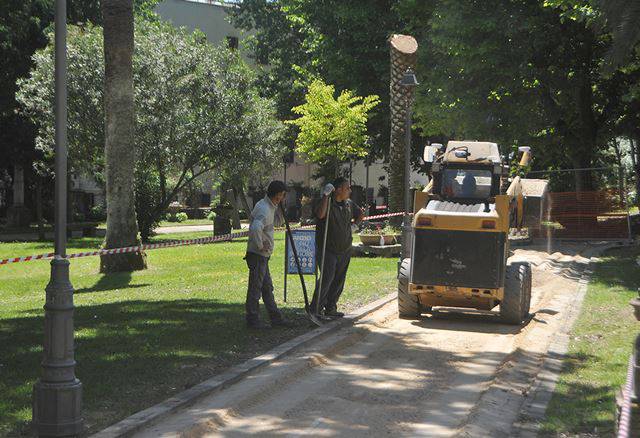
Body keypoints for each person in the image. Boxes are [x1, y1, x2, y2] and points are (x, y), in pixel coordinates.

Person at [311, 177, 363, 319]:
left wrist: (355, 226)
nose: (350, 191)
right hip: (328, 248)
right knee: (327, 278)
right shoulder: (327, 202)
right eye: (347, 188)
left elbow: (361, 214)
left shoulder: (349, 204)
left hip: (345, 248)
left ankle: (331, 307)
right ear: (338, 189)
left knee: (339, 279)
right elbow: (320, 215)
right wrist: (326, 196)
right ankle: (315, 308)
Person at [245, 180, 291, 329]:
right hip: (258, 255)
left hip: (262, 256)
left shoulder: (270, 206)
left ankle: (275, 317)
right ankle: (253, 320)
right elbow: (255, 227)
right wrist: (260, 245)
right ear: (278, 194)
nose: (283, 198)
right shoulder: (264, 208)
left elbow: (277, 223)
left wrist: (281, 208)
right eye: (282, 195)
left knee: (266, 287)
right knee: (256, 288)